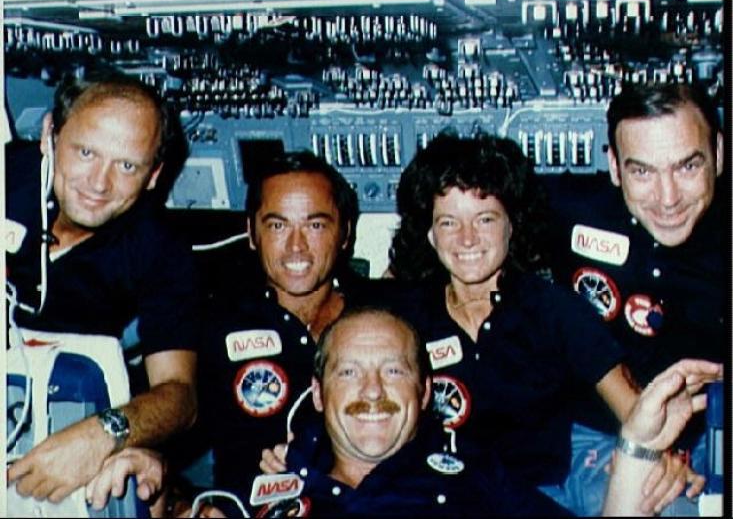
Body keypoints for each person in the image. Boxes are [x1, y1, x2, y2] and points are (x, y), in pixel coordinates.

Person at [87, 308, 723, 517]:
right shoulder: (266, 483)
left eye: (393, 372)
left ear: (422, 395)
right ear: (317, 392)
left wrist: (637, 446)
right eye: (348, 373)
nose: (372, 392)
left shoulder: (474, 474)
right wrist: (154, 473)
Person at [387, 132, 689, 515]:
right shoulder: (403, 319)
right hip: (453, 493)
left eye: (485, 219)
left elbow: (631, 405)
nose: (467, 239)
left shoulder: (552, 309)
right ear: (430, 233)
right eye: (449, 223)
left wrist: (665, 457)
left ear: (511, 225)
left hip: (552, 490)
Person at [6, 71, 200, 503]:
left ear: (153, 176)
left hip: (67, 406)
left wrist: (103, 434)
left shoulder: (160, 249)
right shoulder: (7, 180)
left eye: (127, 165)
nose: (99, 183)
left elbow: (180, 395)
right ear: (49, 137)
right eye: (86, 152)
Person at [544, 82, 725, 509]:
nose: (668, 199)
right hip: (596, 434)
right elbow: (454, 226)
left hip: (708, 435)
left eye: (687, 166)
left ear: (718, 152)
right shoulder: (570, 211)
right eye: (642, 171)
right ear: (614, 166)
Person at [197, 152, 404, 495]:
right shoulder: (214, 326)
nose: (297, 247)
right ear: (252, 233)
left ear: (345, 234)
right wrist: (179, 501)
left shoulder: (392, 316)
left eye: (316, 225)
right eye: (278, 225)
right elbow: (168, 436)